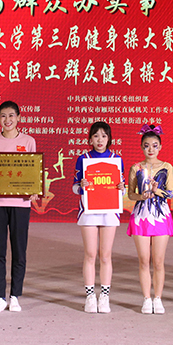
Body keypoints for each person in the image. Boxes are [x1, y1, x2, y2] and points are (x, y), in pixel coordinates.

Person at [0, 101, 38, 314]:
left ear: (19, 118)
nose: (7, 120)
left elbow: (33, 170)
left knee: (19, 251)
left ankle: (15, 296)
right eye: (3, 116)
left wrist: (34, 189)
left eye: (11, 115)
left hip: (20, 203)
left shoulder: (29, 141)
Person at [72, 121, 126, 314]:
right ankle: (89, 297)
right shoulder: (83, 159)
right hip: (89, 212)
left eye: (104, 136)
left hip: (109, 212)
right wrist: (81, 186)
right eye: (96, 136)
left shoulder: (116, 159)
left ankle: (104, 296)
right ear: (90, 139)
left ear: (109, 139)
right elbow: (74, 187)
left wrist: (122, 188)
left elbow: (121, 187)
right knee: (90, 254)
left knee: (105, 255)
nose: (100, 140)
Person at [127, 125, 173, 314]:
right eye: (146, 146)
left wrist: (157, 191)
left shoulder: (167, 167)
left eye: (155, 145)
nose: (151, 149)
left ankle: (158, 298)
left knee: (159, 260)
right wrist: (142, 196)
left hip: (160, 216)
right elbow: (130, 194)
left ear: (160, 147)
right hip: (141, 216)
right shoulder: (136, 168)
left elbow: (170, 193)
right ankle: (146, 298)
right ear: (141, 147)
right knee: (144, 260)